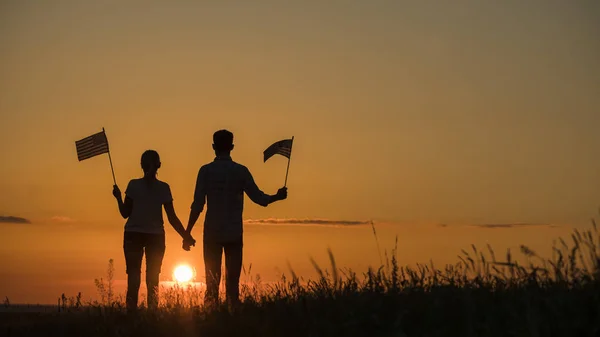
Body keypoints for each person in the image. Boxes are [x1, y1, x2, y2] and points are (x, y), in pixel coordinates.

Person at [185, 130, 287, 307]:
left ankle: (211, 319)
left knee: (211, 283)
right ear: (232, 147)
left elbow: (197, 205)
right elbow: (259, 198)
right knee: (233, 285)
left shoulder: (206, 171)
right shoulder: (240, 171)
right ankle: (232, 320)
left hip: (212, 233)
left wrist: (187, 231)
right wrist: (277, 197)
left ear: (213, 147)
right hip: (234, 233)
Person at [112, 150, 196, 311]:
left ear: (141, 166)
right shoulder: (164, 188)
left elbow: (124, 213)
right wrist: (186, 236)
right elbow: (172, 218)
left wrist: (117, 197)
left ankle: (131, 316)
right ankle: (152, 315)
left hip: (133, 235)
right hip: (156, 237)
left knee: (134, 277)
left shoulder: (133, 185)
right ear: (159, 165)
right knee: (153, 279)